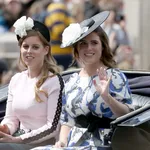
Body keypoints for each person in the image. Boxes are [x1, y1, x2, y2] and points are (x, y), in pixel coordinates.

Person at [32, 11, 134, 150]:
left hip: (103, 144)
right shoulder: (72, 80)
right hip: (74, 144)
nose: (89, 48)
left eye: (94, 43)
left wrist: (107, 97)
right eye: (83, 44)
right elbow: (67, 121)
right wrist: (61, 143)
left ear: (102, 47)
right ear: (77, 50)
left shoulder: (114, 76)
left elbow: (128, 116)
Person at [0, 16, 64, 149]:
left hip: (41, 145)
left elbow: (53, 127)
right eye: (25, 46)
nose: (29, 51)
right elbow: (11, 119)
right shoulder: (16, 79)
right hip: (16, 140)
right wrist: (5, 128)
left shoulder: (54, 81)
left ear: (45, 50)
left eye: (35, 47)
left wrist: (19, 140)